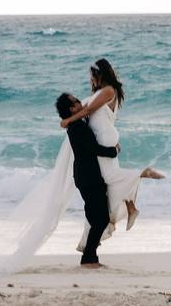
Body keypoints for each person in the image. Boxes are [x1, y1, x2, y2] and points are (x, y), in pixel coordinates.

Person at [61, 59, 163, 245]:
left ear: (101, 75)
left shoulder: (108, 90)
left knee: (109, 178)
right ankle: (129, 207)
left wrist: (69, 120)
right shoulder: (100, 92)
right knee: (108, 180)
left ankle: (141, 174)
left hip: (104, 138)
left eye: (93, 76)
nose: (91, 80)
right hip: (103, 137)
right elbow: (87, 108)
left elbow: (89, 109)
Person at [55, 92, 119, 268]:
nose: (79, 101)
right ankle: (88, 258)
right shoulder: (77, 127)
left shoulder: (77, 124)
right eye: (76, 101)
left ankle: (91, 257)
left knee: (95, 217)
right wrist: (114, 151)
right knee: (101, 219)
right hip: (88, 177)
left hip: (85, 176)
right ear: (72, 108)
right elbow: (94, 149)